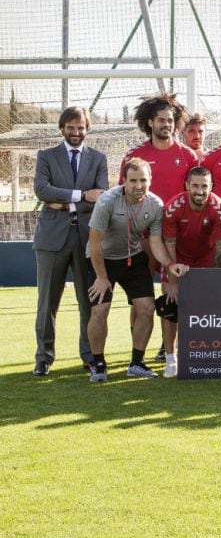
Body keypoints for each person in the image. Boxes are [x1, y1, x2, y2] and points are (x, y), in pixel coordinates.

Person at [85, 159, 188, 382]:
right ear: (124, 181)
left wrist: (170, 264)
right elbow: (94, 243)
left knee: (147, 307)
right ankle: (99, 364)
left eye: (143, 180)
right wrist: (102, 277)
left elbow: (156, 242)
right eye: (133, 180)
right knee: (99, 310)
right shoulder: (107, 202)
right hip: (103, 259)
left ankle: (137, 363)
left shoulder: (156, 205)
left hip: (132, 258)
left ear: (150, 180)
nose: (138, 185)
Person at [120, 93, 200, 362]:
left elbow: (196, 191)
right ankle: (137, 351)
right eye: (161, 120)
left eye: (170, 120)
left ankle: (168, 350)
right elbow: (124, 193)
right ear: (150, 122)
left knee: (171, 292)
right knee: (140, 296)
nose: (166, 124)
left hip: (174, 238)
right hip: (141, 237)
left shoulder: (187, 155)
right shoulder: (135, 155)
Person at [31, 106, 109, 376]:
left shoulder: (98, 158)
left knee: (87, 301)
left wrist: (62, 203)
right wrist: (80, 196)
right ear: (62, 128)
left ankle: (89, 355)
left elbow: (101, 195)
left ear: (87, 129)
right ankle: (43, 357)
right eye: (71, 127)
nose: (76, 133)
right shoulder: (46, 156)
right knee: (47, 302)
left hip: (87, 239)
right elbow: (42, 190)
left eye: (81, 128)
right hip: (51, 240)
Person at [160, 166, 221, 377]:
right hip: (178, 259)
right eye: (195, 186)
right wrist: (172, 279)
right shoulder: (173, 207)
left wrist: (213, 279)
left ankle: (200, 354)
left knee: (206, 309)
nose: (200, 191)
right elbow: (169, 245)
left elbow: (220, 246)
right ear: (187, 185)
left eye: (204, 186)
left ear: (211, 187)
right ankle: (170, 359)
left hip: (204, 260)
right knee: (171, 305)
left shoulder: (218, 208)